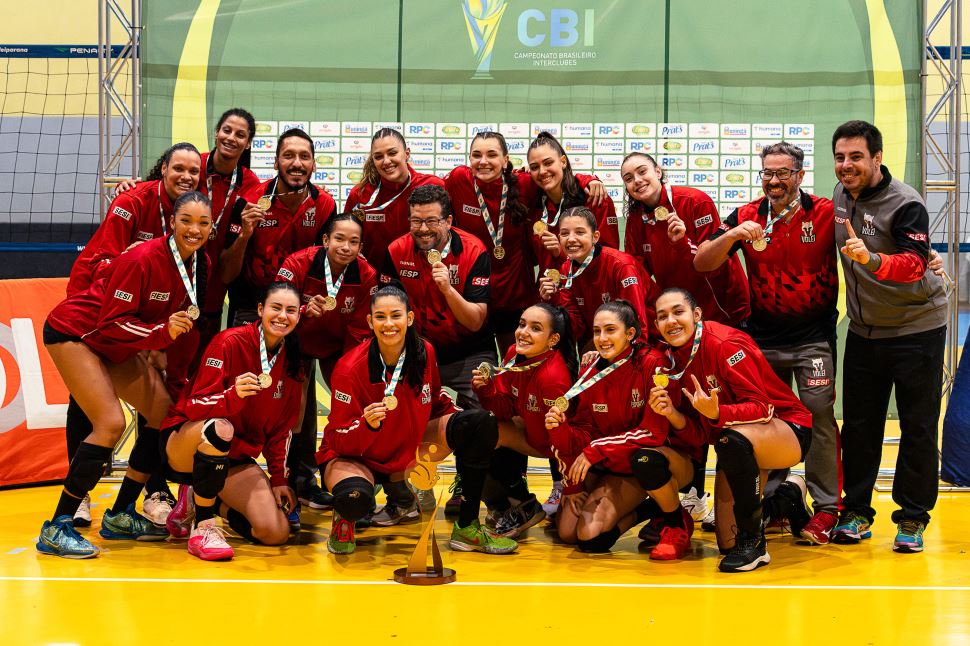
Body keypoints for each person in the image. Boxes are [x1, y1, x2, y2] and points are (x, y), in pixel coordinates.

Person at [36, 191, 213, 558]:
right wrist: (160, 334)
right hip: (76, 332)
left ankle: (119, 514)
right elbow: (111, 322)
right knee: (110, 423)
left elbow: (178, 324)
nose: (194, 230)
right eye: (186, 221)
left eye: (203, 223)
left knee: (162, 412)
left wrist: (170, 358)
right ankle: (57, 526)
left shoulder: (199, 264)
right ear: (172, 224)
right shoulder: (142, 258)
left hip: (116, 344)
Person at [693, 141, 841, 545]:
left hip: (813, 338)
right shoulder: (746, 215)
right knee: (762, 420)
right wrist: (734, 236)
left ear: (800, 175)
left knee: (818, 416)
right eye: (767, 173)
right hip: (762, 339)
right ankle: (773, 501)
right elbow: (703, 260)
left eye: (783, 173)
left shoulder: (825, 213)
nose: (774, 181)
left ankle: (828, 509)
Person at [315, 286, 518, 556]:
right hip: (358, 454)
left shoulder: (424, 351)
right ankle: (345, 518)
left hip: (407, 448)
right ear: (370, 321)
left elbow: (435, 400)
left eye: (396, 315)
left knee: (479, 424)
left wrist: (463, 424)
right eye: (381, 317)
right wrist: (368, 425)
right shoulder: (349, 368)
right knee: (353, 499)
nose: (389, 324)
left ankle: (467, 528)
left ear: (409, 318)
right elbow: (339, 437)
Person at [63, 142, 204, 528]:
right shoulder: (132, 201)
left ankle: (154, 492)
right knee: (88, 400)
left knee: (157, 401)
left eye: (194, 171)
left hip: (147, 315)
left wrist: (158, 334)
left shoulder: (193, 218)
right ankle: (80, 496)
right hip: (97, 309)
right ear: (162, 169)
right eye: (179, 168)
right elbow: (104, 261)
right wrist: (138, 326)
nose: (187, 176)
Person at [830, 120, 947, 553]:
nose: (847, 165)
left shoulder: (906, 203)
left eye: (856, 156)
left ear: (877, 158)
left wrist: (873, 259)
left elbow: (914, 265)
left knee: (918, 425)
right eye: (841, 157)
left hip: (917, 329)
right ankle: (857, 512)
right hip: (865, 332)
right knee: (859, 426)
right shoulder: (841, 196)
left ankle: (912, 518)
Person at [654, 288, 812, 572]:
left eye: (678, 312)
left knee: (729, 442)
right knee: (727, 541)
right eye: (662, 316)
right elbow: (702, 436)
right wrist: (673, 414)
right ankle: (787, 499)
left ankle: (754, 545)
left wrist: (717, 413)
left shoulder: (725, 344)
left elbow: (763, 408)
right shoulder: (671, 362)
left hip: (787, 426)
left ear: (697, 315)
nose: (671, 321)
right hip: (735, 441)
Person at [543, 300, 705, 558]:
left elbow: (654, 433)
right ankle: (652, 509)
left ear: (630, 334)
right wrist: (560, 429)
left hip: (655, 461)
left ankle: (666, 512)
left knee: (590, 539)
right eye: (597, 331)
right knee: (567, 533)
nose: (602, 338)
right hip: (611, 463)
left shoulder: (653, 364)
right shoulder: (590, 368)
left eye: (610, 330)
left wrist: (595, 450)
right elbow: (585, 428)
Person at [160, 282, 303, 561]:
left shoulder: (293, 363)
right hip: (187, 444)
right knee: (220, 428)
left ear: (299, 315)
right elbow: (193, 406)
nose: (282, 316)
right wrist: (231, 396)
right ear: (260, 309)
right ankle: (203, 528)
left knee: (275, 532)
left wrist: (278, 478)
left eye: (291, 310)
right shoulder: (229, 342)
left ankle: (206, 501)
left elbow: (280, 431)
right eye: (276, 308)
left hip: (234, 459)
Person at [275, 212, 378, 512]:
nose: (346, 247)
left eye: (354, 242)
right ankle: (298, 483)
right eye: (340, 239)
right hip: (297, 342)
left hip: (339, 347)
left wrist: (348, 373)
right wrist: (303, 311)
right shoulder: (298, 263)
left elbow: (361, 328)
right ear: (325, 240)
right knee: (296, 412)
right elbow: (276, 312)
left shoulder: (366, 274)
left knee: (352, 405)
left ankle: (352, 483)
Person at [380, 184, 494, 410]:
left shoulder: (474, 251)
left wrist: (448, 290)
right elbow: (385, 311)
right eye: (416, 221)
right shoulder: (396, 251)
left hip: (469, 351)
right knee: (397, 411)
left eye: (432, 221)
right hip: (417, 353)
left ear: (448, 221)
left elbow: (475, 321)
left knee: (485, 412)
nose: (423, 229)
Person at [471, 303, 577, 536]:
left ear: (553, 339)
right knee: (476, 430)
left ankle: (525, 501)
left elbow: (564, 442)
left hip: (556, 447)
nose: (523, 332)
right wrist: (486, 390)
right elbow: (504, 410)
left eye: (535, 328)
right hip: (531, 433)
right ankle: (513, 505)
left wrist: (570, 487)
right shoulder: (514, 354)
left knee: (570, 533)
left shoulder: (552, 379)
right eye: (522, 324)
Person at [222, 128, 336, 326]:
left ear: (314, 165)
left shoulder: (325, 205)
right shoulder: (249, 202)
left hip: (299, 310)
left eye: (305, 157)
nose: (297, 163)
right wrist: (245, 236)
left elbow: (325, 268)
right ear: (276, 163)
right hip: (251, 307)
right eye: (288, 156)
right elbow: (226, 274)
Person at [445, 131, 536, 352]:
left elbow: (559, 180)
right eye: (476, 155)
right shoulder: (459, 180)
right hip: (473, 296)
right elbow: (424, 188)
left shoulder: (525, 185)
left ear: (505, 160)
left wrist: (589, 180)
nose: (483, 161)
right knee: (479, 371)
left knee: (515, 366)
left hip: (514, 296)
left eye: (492, 155)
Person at [538, 207, 657, 345]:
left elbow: (638, 327)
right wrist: (554, 298)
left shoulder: (622, 266)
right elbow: (576, 329)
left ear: (595, 237)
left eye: (580, 232)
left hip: (651, 343)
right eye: (565, 233)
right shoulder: (566, 270)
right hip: (605, 341)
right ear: (559, 238)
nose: (571, 239)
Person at [345, 128, 446, 270]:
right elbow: (347, 238)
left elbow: (451, 231)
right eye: (378, 157)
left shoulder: (434, 186)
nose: (386, 161)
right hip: (375, 280)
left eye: (392, 153)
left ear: (407, 153)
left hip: (422, 278)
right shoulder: (360, 195)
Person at [527, 132, 618, 272]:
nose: (542, 171)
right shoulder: (533, 202)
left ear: (563, 161)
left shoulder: (594, 198)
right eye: (534, 167)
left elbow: (608, 258)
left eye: (548, 163)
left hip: (585, 290)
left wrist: (561, 253)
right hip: (548, 290)